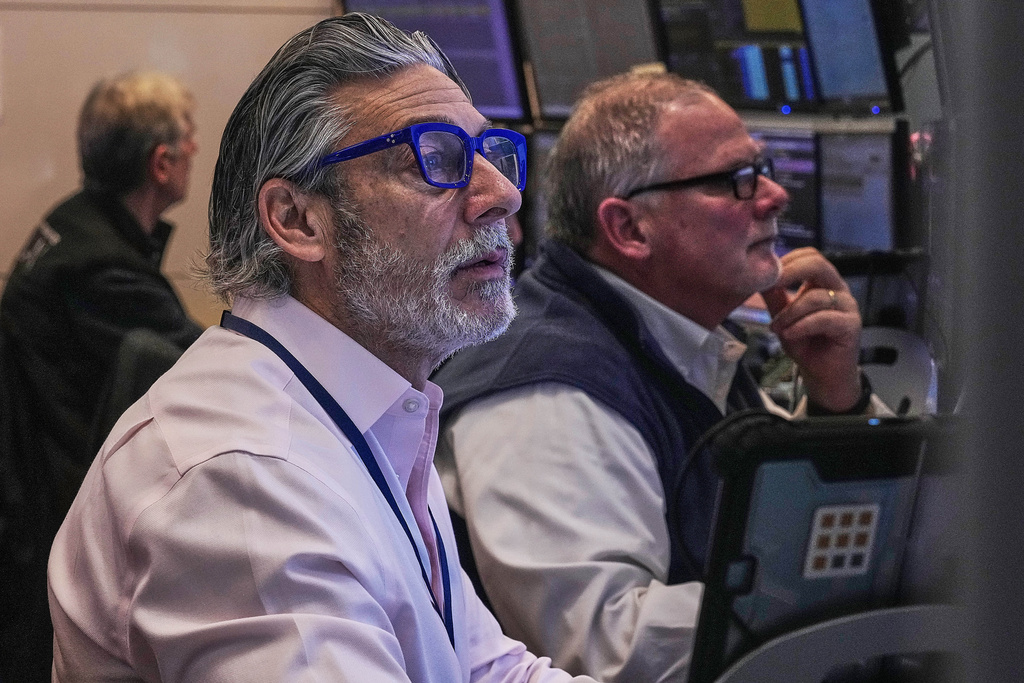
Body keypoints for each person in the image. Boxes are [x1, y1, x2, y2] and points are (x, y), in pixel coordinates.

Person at [47, 14, 597, 682]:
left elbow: (483, 667)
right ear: (299, 219)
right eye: (437, 157)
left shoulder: (369, 407)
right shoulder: (244, 482)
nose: (502, 194)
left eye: (490, 154)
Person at [433, 71, 889, 681]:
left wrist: (836, 397)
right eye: (736, 181)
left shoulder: (680, 337)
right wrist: (826, 597)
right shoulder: (547, 390)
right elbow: (606, 647)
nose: (775, 195)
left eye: (764, 168)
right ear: (628, 229)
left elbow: (777, 522)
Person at [0, 71, 202, 683]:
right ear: (161, 164)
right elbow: (209, 368)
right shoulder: (103, 271)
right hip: (55, 529)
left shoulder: (71, 223)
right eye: (190, 141)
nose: (198, 149)